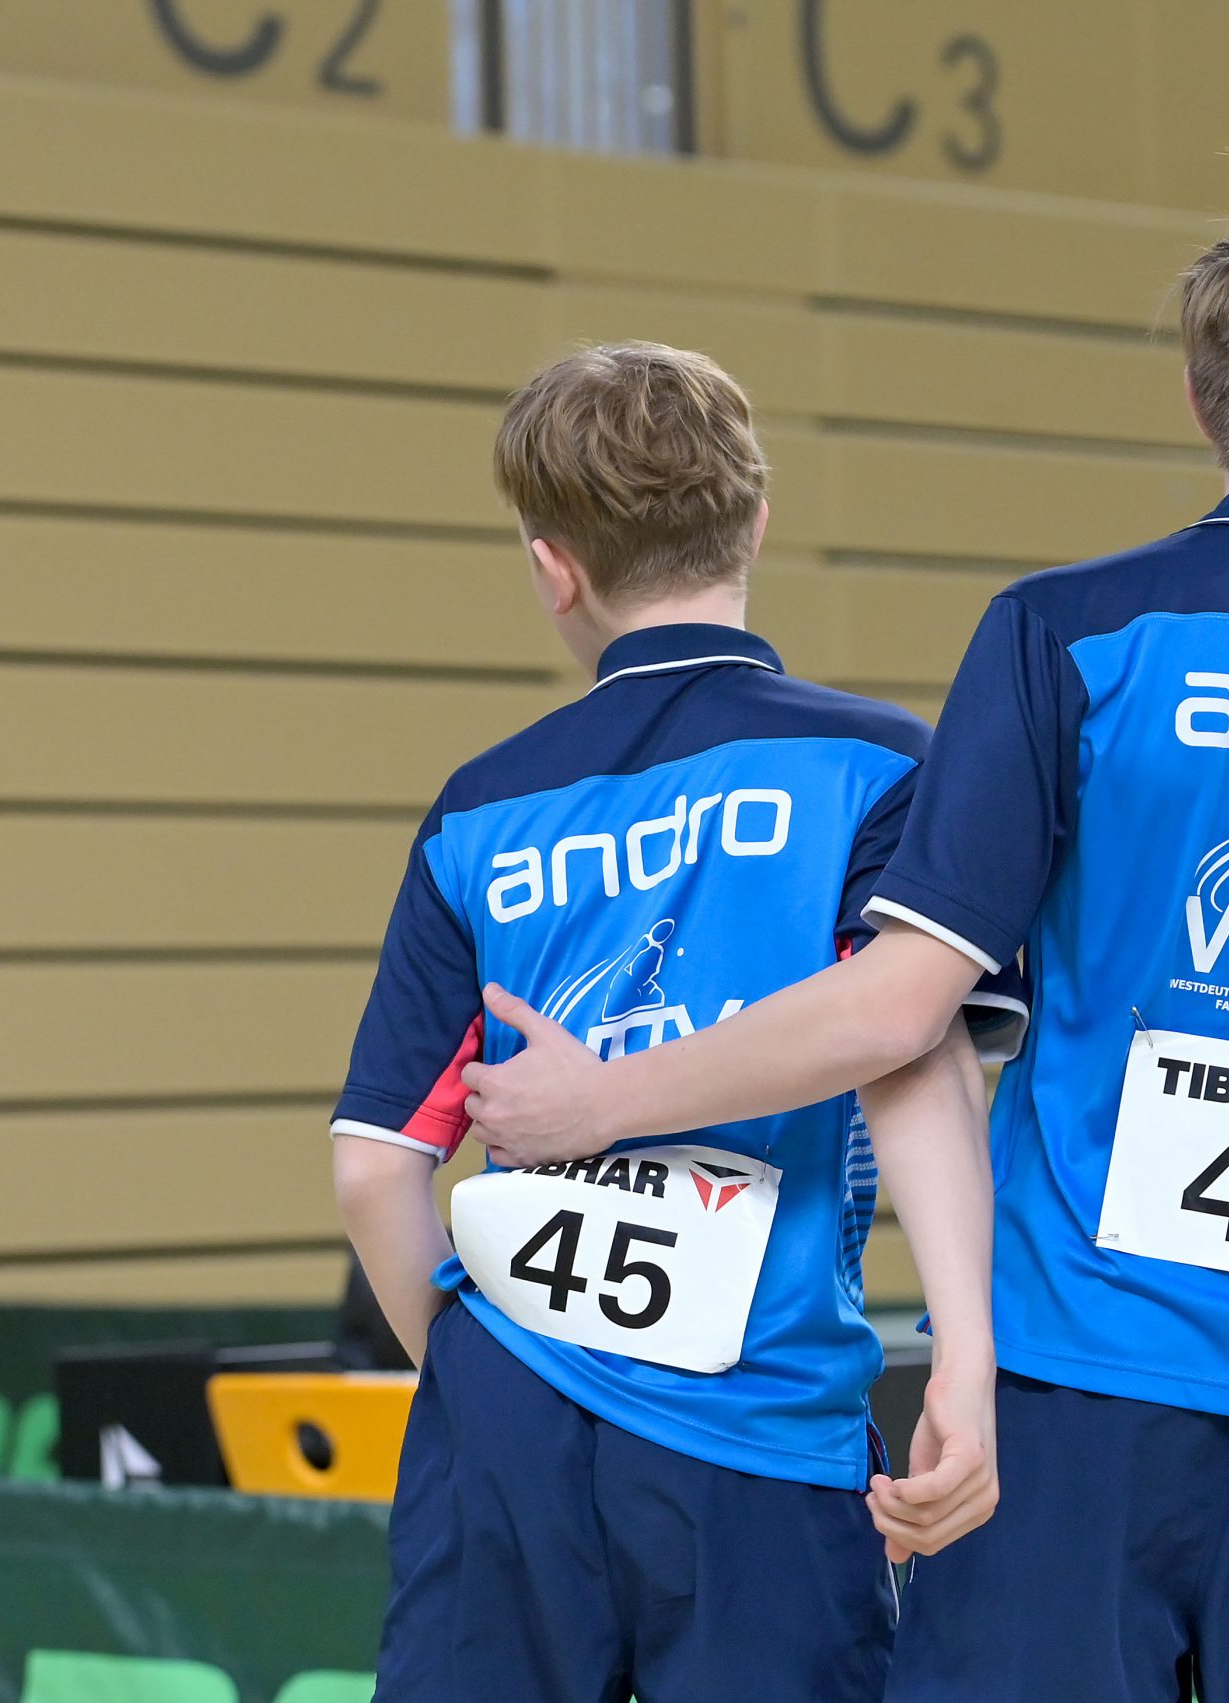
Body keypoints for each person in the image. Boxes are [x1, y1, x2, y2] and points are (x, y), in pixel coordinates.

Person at [462, 181, 1229, 1700]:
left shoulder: (1064, 640)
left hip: (1073, 1394)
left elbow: (898, 1009)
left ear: (1202, 395)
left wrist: (595, 1102)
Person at [330, 343, 1017, 1703]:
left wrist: (485, 1378)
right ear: (754, 523)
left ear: (554, 570)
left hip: (509, 1426)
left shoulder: (479, 811)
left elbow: (372, 1168)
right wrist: (966, 1351)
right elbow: (912, 1050)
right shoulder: (873, 766)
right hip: (758, 1428)